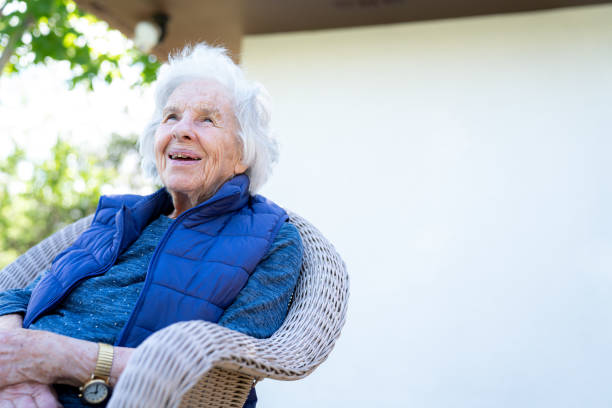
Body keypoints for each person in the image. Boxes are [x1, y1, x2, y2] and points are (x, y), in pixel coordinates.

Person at [0, 42, 303, 408]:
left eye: (207, 119)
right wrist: (17, 371)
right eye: (171, 117)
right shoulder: (120, 218)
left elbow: (224, 367)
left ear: (243, 154)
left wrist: (58, 358)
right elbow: (18, 296)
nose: (182, 130)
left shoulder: (272, 238)